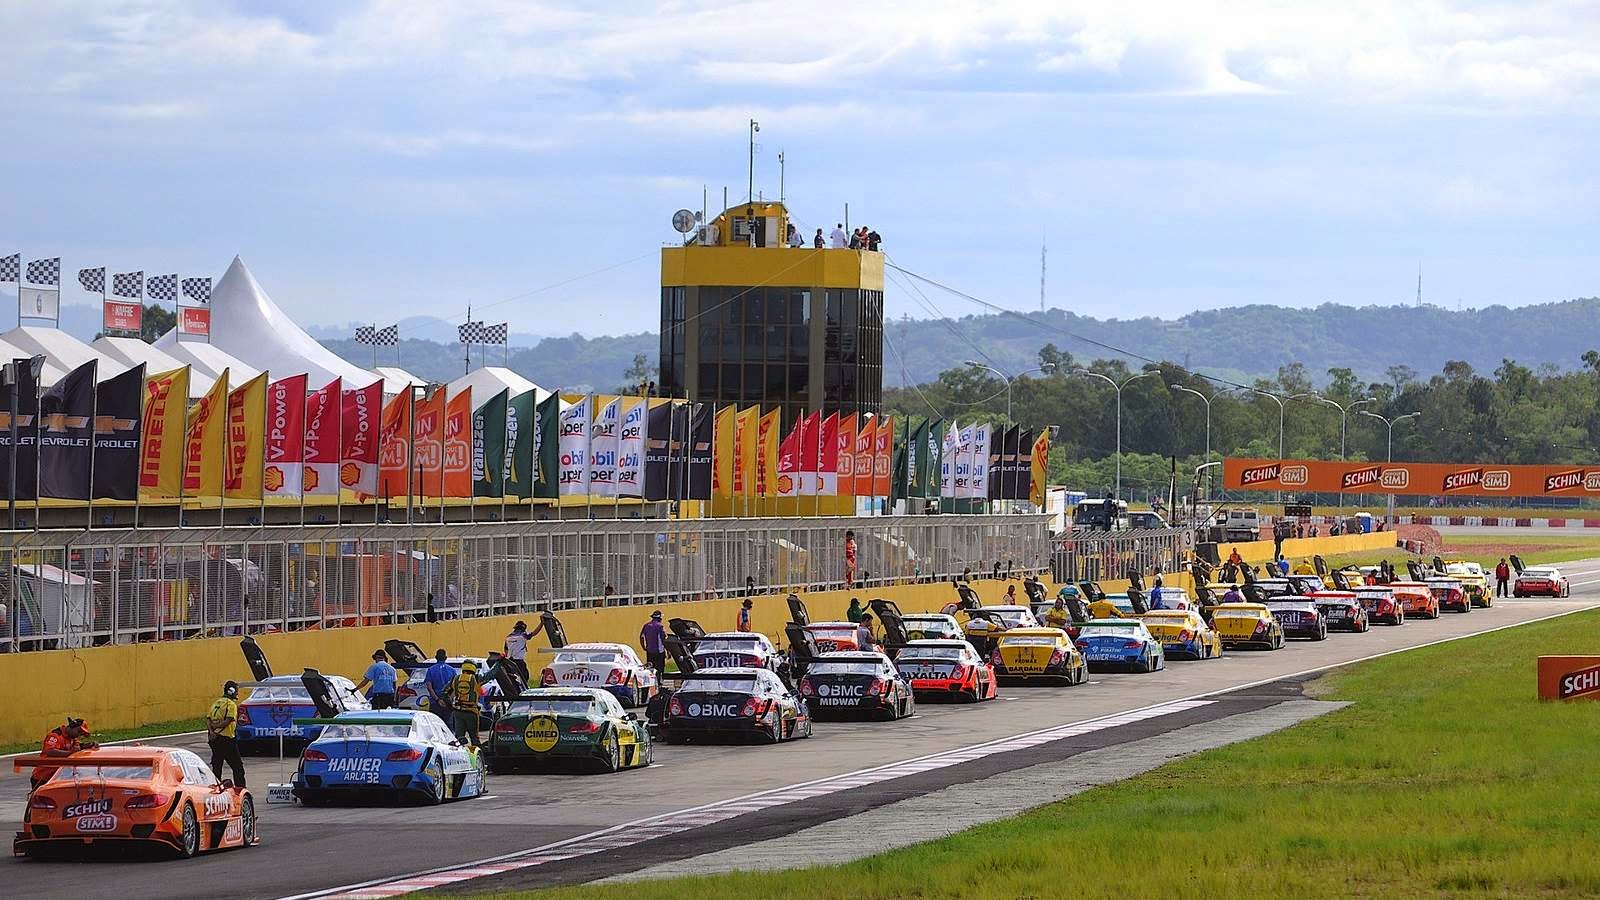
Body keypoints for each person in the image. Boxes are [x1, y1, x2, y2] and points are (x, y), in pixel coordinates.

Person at [31, 717, 98, 792]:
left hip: (56, 778)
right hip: (42, 777)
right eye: (79, 731)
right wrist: (70, 753)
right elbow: (49, 750)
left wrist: (89, 745)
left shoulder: (71, 738)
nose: (78, 735)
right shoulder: (55, 735)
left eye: (81, 734)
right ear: (72, 726)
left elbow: (79, 746)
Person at [206, 681, 246, 787]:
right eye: (236, 691)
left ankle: (215, 788)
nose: (237, 693)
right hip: (227, 739)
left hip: (214, 739)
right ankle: (240, 789)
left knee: (217, 765)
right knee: (238, 767)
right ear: (231, 691)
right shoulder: (231, 704)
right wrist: (216, 727)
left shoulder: (216, 703)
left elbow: (208, 719)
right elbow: (228, 720)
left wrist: (212, 731)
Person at [446, 661, 483, 747]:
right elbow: (490, 675)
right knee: (474, 737)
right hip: (472, 712)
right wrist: (499, 663)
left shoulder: (456, 678)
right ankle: (476, 753)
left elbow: (445, 692)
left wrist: (449, 704)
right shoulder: (476, 678)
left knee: (459, 737)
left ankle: (458, 753)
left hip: (458, 712)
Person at [424, 649, 457, 715]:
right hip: (448, 703)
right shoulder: (452, 670)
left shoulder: (430, 670)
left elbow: (429, 688)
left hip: (435, 703)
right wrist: (450, 699)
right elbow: (455, 687)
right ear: (445, 658)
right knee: (448, 720)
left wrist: (438, 700)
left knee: (435, 721)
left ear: (436, 657)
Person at [640, 611, 668, 678]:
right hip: (659, 651)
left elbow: (641, 637)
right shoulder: (660, 626)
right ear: (659, 618)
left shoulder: (646, 625)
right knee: (660, 668)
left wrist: (643, 647)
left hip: (649, 651)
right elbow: (664, 639)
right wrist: (668, 651)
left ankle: (651, 681)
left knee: (650, 668)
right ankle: (659, 681)